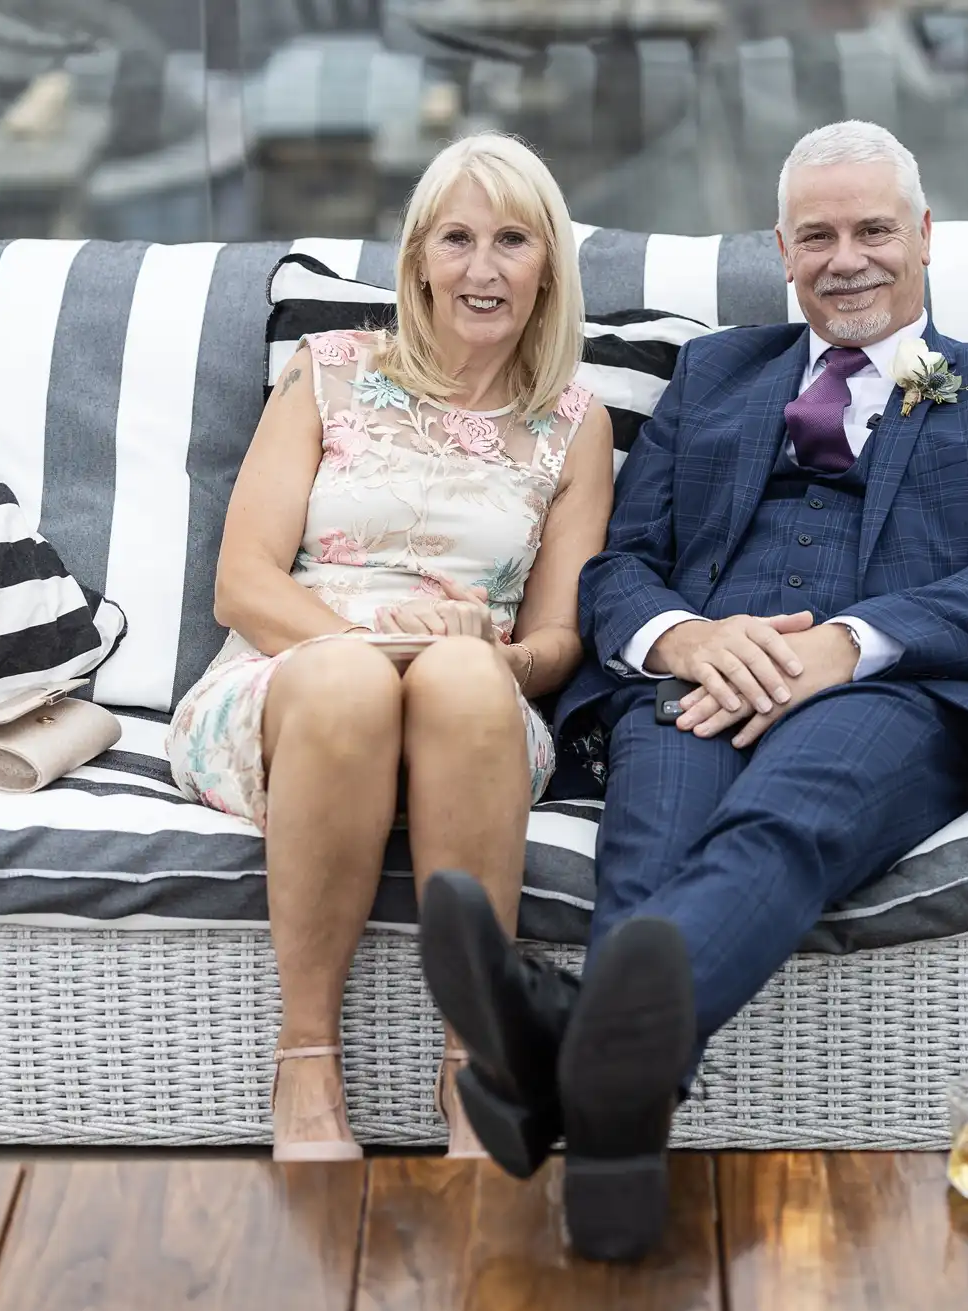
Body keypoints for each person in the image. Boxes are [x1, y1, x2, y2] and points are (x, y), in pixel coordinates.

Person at [417, 121, 968, 1257]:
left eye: (873, 229)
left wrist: (849, 643)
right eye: (815, 235)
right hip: (699, 680)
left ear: (921, 236)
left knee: (784, 823)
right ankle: (615, 1156)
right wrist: (681, 638)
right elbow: (619, 565)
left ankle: (549, 1053)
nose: (846, 257)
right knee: (654, 833)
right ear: (781, 249)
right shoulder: (718, 372)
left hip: (900, 696)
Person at [168, 134, 614, 1161]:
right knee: (346, 685)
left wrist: (505, 664)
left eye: (511, 240)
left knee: (461, 673)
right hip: (294, 679)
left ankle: (477, 1068)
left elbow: (556, 638)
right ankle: (307, 1062)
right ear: (416, 258)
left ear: (547, 262)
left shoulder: (572, 423)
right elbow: (244, 584)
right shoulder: (327, 373)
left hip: (470, 714)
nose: (482, 267)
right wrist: (367, 648)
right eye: (455, 238)